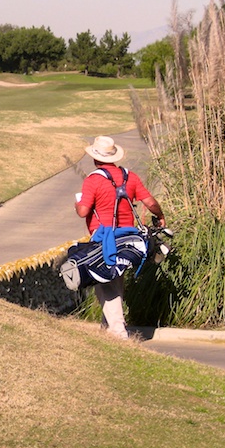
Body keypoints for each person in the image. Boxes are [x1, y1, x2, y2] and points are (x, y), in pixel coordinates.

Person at [74, 136, 165, 339]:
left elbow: (83, 211)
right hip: (128, 239)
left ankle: (118, 332)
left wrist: (77, 203)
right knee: (116, 280)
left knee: (105, 282)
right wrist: (160, 215)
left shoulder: (93, 180)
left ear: (95, 158)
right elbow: (150, 202)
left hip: (103, 237)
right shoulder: (129, 177)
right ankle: (107, 328)